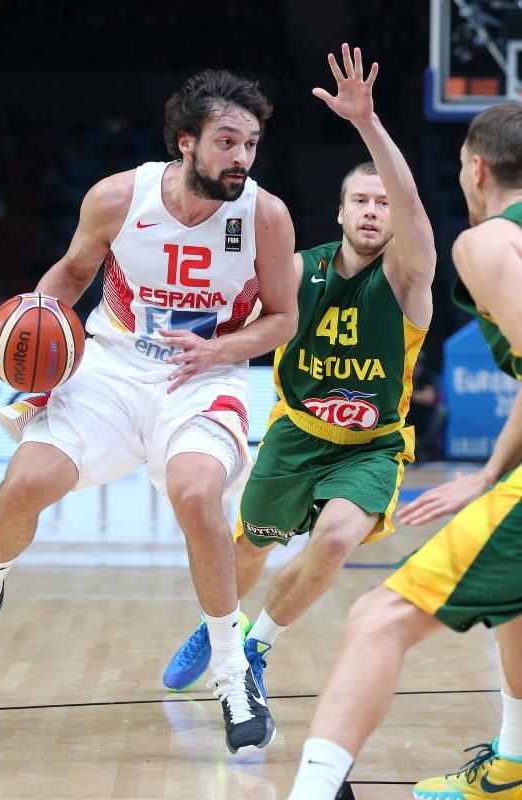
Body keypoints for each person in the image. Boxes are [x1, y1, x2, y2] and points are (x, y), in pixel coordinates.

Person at [0, 68, 299, 756]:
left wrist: (222, 349)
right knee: (24, 483)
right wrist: (21, 325)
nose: (242, 157)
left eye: (251, 143)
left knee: (198, 492)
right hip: (111, 368)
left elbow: (283, 319)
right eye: (227, 141)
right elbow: (71, 276)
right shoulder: (120, 197)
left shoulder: (264, 215)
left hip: (204, 376)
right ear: (186, 142)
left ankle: (233, 672)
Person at [162, 43, 436, 711]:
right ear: (340, 214)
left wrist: (367, 124)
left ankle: (256, 646)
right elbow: (235, 319)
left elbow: (410, 201)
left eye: (382, 203)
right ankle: (215, 623)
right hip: (294, 437)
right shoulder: (293, 270)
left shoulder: (406, 280)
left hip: (372, 445)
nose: (374, 210)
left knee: (338, 537)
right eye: (360, 201)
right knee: (248, 553)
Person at [287, 100, 522, 800]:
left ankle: (313, 789)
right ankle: (512, 765)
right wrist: (487, 473)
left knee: (378, 618)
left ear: (475, 169)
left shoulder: (486, 245)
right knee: (512, 599)